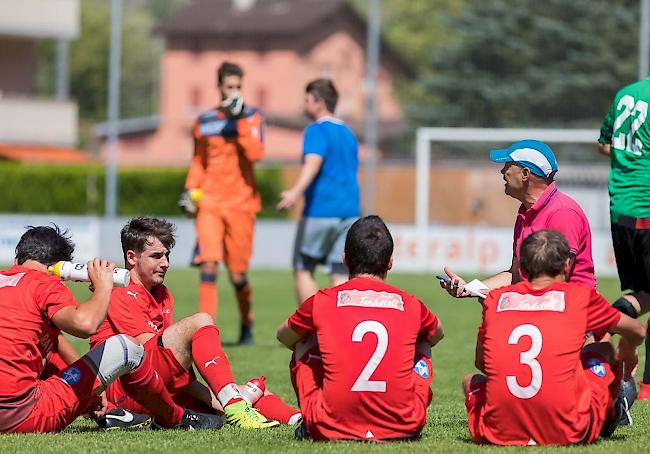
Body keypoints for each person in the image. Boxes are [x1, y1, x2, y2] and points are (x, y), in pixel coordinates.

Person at [0, 225, 221, 433]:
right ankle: (175, 418)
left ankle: (112, 413)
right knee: (127, 348)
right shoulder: (45, 283)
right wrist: (103, 286)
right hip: (23, 415)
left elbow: (53, 343)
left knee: (38, 352)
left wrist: (89, 384)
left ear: (17, 259)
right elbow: (86, 325)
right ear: (61, 268)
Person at [89, 217, 298, 429]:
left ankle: (298, 419)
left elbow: (170, 364)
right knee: (201, 321)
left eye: (167, 256)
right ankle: (235, 407)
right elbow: (143, 357)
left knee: (251, 392)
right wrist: (222, 400)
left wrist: (219, 399)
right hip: (127, 393)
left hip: (158, 389)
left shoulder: (161, 293)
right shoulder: (119, 292)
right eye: (157, 256)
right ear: (132, 257)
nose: (166, 263)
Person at [463, 229, 645, 446]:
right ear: (567, 265)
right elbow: (637, 330)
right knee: (602, 346)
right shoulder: (579, 297)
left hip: (497, 433)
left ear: (521, 268)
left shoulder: (496, 299)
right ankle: (609, 414)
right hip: (570, 431)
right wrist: (628, 349)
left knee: (471, 380)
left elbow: (481, 363)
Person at [277, 215, 445, 441]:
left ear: (345, 259)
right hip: (405, 425)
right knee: (422, 341)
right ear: (390, 263)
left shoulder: (323, 301)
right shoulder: (410, 304)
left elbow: (283, 336)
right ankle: (403, 408)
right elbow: (438, 334)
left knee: (303, 339)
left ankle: (313, 418)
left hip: (328, 425)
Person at [441, 139, 595, 298]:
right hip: (544, 306)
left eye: (508, 165)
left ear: (525, 174)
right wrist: (469, 288)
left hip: (572, 311)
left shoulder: (562, 212)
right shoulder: (525, 212)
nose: (502, 172)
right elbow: (515, 276)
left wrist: (506, 299)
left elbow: (558, 280)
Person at [180, 61, 263, 345]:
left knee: (238, 274)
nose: (234, 91)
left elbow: (255, 154)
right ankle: (207, 332)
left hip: (242, 204)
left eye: (239, 87)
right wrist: (190, 189)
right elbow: (198, 162)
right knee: (209, 264)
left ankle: (247, 323)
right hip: (210, 204)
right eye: (230, 87)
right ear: (219, 87)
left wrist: (238, 120)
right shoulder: (204, 121)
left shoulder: (252, 117)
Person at [277, 78, 360, 305]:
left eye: (307, 100)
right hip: (350, 211)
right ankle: (342, 326)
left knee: (303, 268)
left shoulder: (316, 131)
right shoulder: (349, 134)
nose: (303, 105)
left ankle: (313, 329)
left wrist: (294, 192)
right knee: (340, 272)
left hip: (321, 211)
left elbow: (313, 164)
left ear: (319, 103)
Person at [598, 79, 650, 399]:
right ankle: (647, 387)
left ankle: (603, 329)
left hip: (621, 210)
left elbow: (604, 144)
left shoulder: (626, 94)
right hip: (647, 207)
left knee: (644, 293)